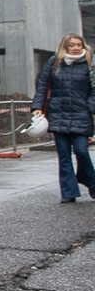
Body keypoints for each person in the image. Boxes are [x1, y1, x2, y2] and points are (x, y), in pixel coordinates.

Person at [29, 32, 95, 203]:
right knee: (64, 154)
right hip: (58, 113)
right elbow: (43, 84)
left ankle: (91, 182)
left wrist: (90, 106)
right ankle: (68, 192)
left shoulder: (89, 63)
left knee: (81, 151)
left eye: (78, 45)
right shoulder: (54, 62)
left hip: (81, 114)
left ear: (83, 46)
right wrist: (37, 107)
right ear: (65, 46)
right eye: (71, 45)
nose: (75, 48)